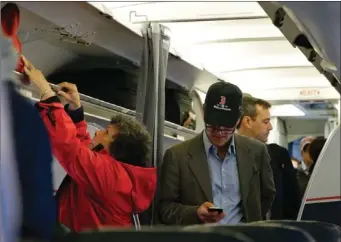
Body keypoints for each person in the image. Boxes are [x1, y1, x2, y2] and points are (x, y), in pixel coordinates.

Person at [21, 56, 157, 232]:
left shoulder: (111, 178)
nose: (99, 132)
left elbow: (69, 147)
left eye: (107, 133)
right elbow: (87, 151)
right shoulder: (121, 171)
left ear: (117, 149)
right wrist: (76, 109)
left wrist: (47, 93)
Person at [159, 82, 276, 225]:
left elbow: (266, 196)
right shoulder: (177, 156)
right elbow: (165, 209)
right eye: (213, 125)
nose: (220, 132)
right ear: (203, 114)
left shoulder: (257, 152)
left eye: (226, 126)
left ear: (238, 118)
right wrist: (195, 213)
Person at [237, 96, 301, 220]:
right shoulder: (226, 156)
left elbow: (293, 201)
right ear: (248, 122)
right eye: (265, 122)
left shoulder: (278, 155)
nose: (270, 127)